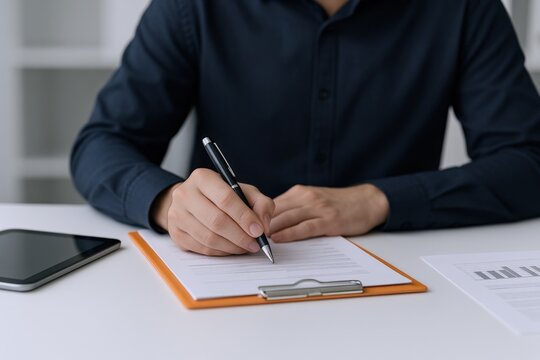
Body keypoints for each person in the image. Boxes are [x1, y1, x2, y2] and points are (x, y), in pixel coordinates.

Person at [71, 0, 540, 257]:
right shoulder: (193, 8)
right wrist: (168, 203)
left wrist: (378, 201)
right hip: (228, 280)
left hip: (403, 287)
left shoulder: (465, 9)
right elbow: (101, 144)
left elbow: (527, 163)